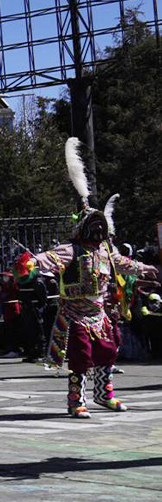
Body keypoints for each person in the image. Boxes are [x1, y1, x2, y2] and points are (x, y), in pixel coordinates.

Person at [30, 139, 158, 417]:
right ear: (83, 228)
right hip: (75, 314)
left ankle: (103, 394)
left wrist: (144, 269)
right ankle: (76, 400)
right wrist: (31, 263)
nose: (99, 232)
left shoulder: (105, 251)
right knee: (81, 356)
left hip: (99, 314)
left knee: (108, 351)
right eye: (95, 227)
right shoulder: (71, 249)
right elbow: (48, 258)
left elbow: (122, 263)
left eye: (102, 228)